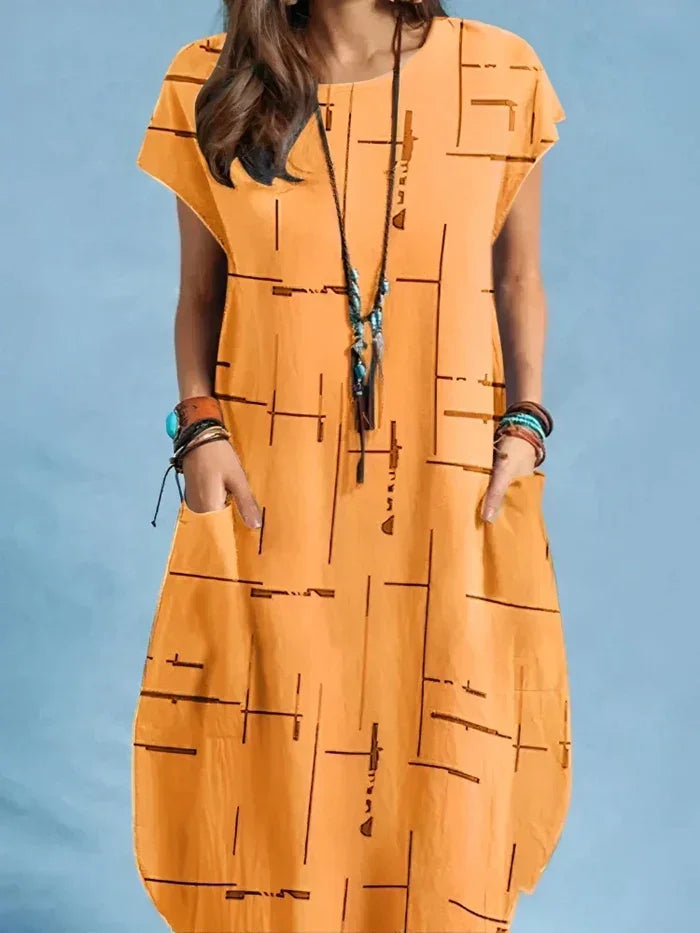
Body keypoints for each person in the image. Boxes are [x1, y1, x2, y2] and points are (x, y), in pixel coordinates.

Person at [132, 2, 572, 931]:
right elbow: (199, 295)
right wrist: (198, 430)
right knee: (276, 789)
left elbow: (518, 278)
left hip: (445, 501)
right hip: (273, 502)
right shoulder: (210, 79)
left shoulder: (499, 74)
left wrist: (526, 425)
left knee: (445, 788)